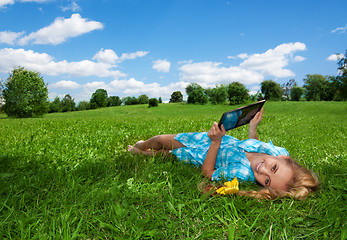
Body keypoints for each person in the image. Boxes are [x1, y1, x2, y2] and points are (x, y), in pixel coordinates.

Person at [128, 108, 319, 200]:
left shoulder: (242, 173)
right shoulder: (277, 151)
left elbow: (208, 173)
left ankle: (138, 153)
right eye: (274, 168)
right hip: (209, 139)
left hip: (205, 152)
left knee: (167, 154)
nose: (263, 171)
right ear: (284, 158)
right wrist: (253, 127)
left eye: (267, 181)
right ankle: (143, 144)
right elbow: (255, 142)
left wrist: (216, 142)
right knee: (161, 139)